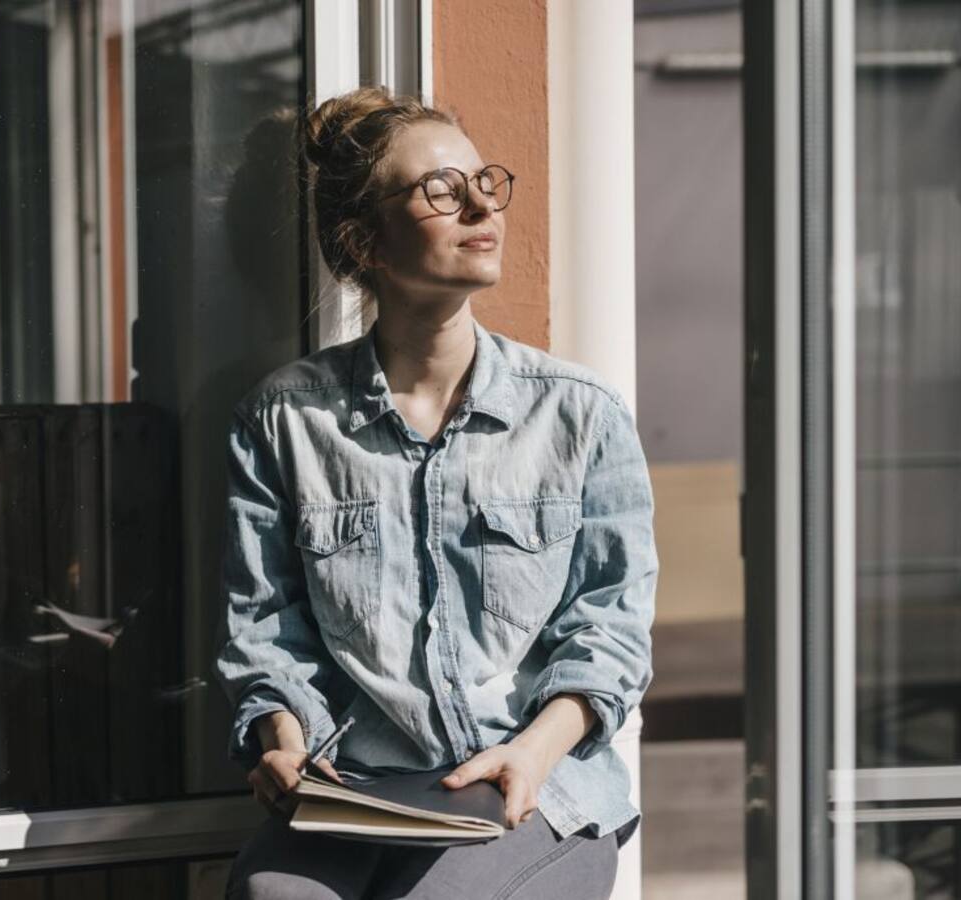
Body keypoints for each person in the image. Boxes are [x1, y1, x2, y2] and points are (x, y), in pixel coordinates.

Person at [213, 86, 657, 900]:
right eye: (441, 191)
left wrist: (530, 753)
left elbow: (611, 632)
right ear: (366, 241)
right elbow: (266, 632)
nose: (480, 205)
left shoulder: (578, 414)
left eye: (484, 182)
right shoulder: (283, 420)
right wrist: (281, 740)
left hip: (535, 785)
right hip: (360, 788)